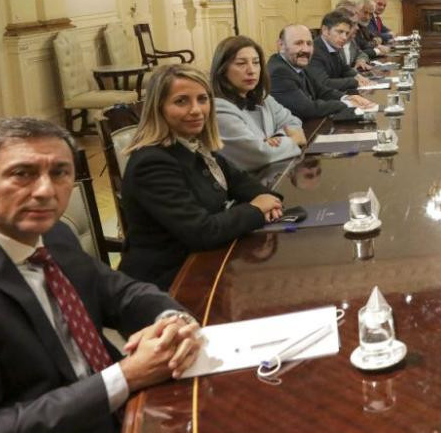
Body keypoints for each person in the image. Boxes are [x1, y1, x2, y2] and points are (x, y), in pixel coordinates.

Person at [0, 117, 203, 433]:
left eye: (60, 173)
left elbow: (125, 292)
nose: (46, 191)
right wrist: (125, 377)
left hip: (127, 422)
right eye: (23, 174)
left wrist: (173, 322)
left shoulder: (54, 236)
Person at [118, 64, 283, 289]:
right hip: (164, 284)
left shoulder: (193, 145)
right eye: (181, 101)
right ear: (159, 108)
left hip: (203, 265)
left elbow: (241, 181)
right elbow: (203, 232)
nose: (196, 110)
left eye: (202, 99)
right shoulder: (152, 162)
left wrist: (268, 200)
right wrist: (256, 209)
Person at [211, 35, 305, 171]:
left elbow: (293, 122)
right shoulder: (218, 108)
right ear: (222, 69)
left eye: (256, 62)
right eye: (241, 63)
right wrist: (293, 140)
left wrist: (278, 137)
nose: (251, 70)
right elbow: (260, 155)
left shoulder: (263, 98)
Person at [268, 24, 375, 122]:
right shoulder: (279, 72)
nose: (305, 49)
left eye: (309, 43)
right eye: (298, 43)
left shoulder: (297, 63)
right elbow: (307, 109)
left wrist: (347, 97)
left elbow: (321, 90)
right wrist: (347, 104)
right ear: (281, 45)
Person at [310, 10, 372, 93]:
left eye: (346, 33)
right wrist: (355, 82)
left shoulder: (332, 46)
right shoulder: (314, 51)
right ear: (325, 30)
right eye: (340, 32)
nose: (344, 38)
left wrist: (359, 77)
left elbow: (344, 69)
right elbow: (324, 83)